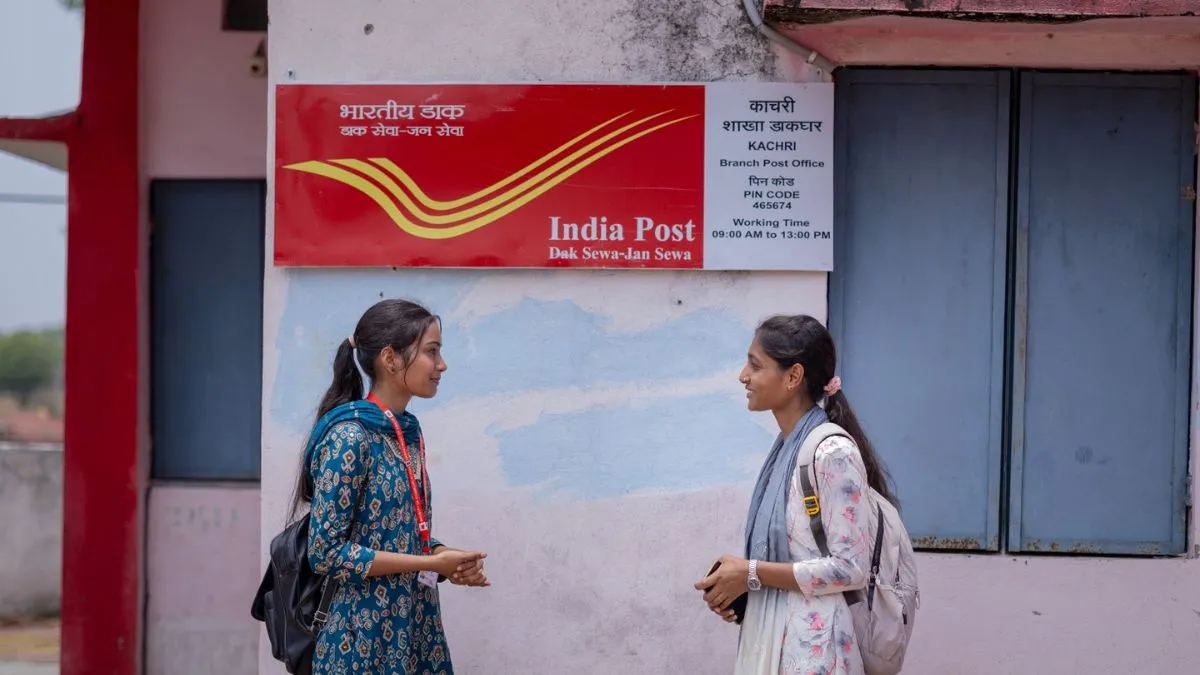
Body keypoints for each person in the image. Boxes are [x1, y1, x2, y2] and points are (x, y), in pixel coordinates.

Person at [287, 298, 489, 675]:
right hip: (359, 642)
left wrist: (446, 559)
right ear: (390, 359)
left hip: (414, 631)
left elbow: (397, 533)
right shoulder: (350, 438)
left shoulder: (405, 433)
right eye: (431, 351)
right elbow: (326, 553)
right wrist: (430, 563)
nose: (442, 364)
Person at [694, 314, 899, 675]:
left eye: (755, 365)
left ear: (793, 377)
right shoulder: (785, 451)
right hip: (775, 640)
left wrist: (752, 572)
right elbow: (796, 557)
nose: (743, 376)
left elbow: (850, 568)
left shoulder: (832, 452)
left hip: (816, 657)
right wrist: (742, 590)